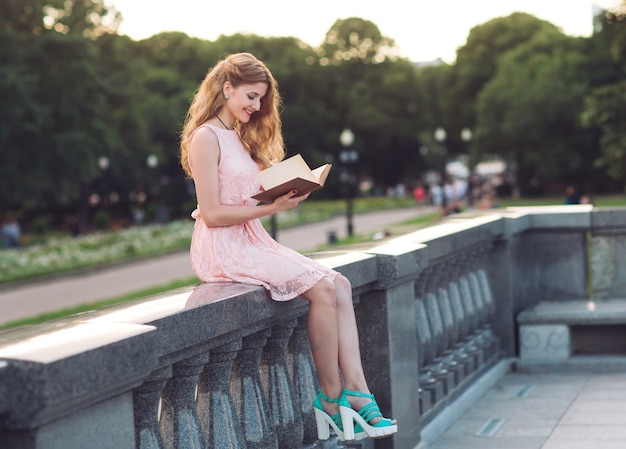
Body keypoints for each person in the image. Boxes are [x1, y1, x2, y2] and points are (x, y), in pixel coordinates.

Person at [179, 53, 397, 441]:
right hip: (222, 246)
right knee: (323, 288)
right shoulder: (204, 137)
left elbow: (246, 199)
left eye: (261, 99)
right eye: (250, 96)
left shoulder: (237, 137)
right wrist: (274, 206)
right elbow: (211, 214)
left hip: (251, 238)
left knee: (341, 284)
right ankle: (331, 398)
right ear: (226, 88)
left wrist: (284, 189)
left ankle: (360, 394)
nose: (256, 106)